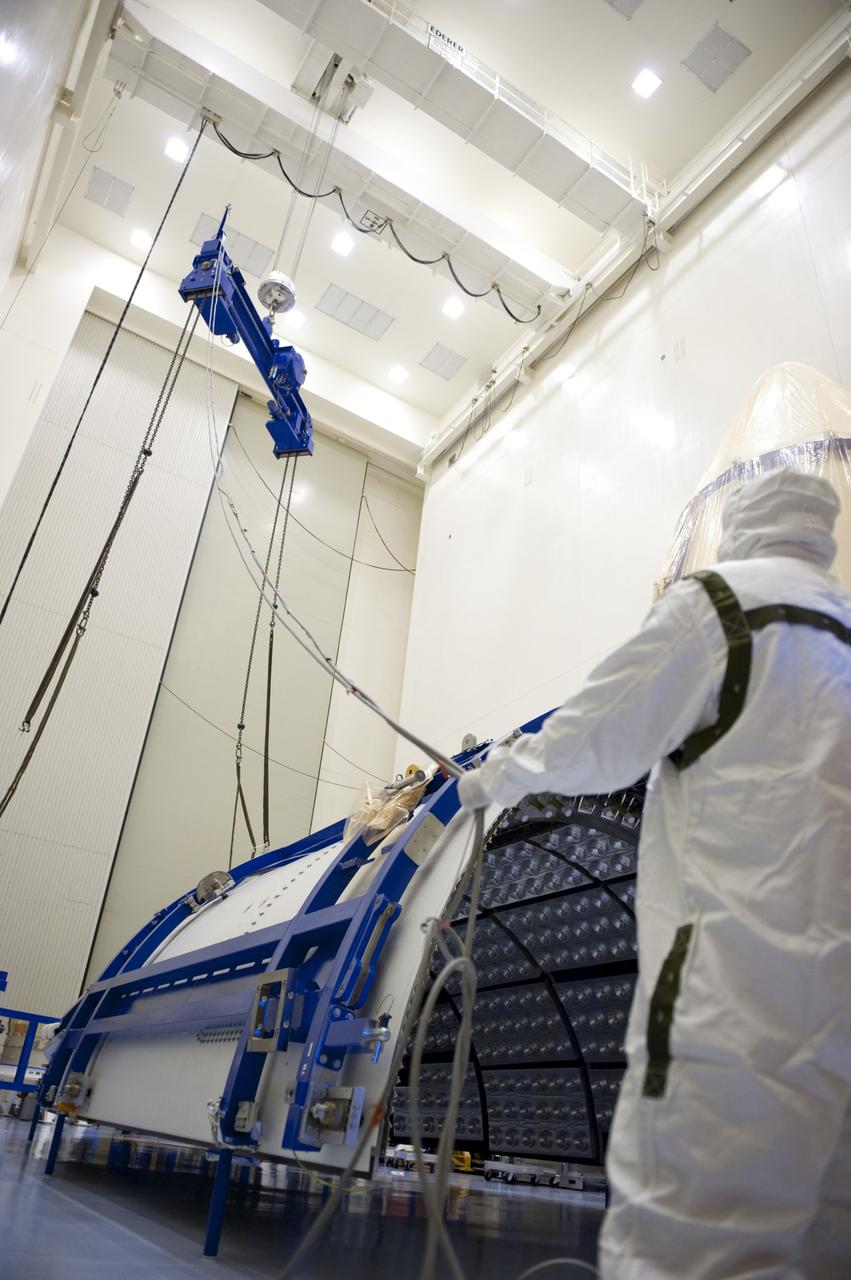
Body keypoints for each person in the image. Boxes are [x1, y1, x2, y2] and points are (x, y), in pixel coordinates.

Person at [457, 469, 851, 1280]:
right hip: (839, 1023)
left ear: (738, 528)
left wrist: (488, 777)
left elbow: (591, 739)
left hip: (730, 1004)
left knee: (690, 1244)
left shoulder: (718, 606)